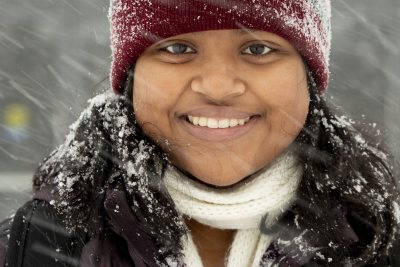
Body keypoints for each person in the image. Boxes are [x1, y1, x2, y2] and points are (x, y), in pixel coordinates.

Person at [1, 0, 399, 266]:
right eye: (177, 49)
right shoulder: (34, 244)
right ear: (132, 80)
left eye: (258, 49)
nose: (218, 87)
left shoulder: (378, 243)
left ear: (307, 78)